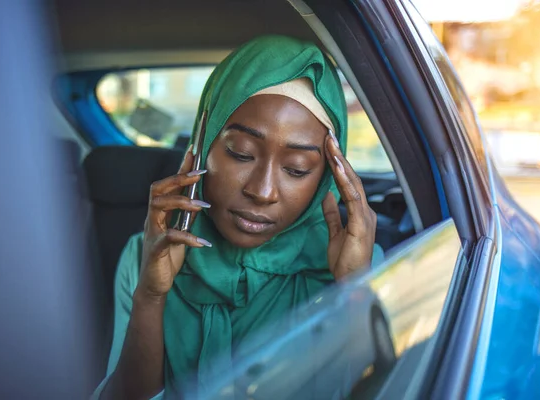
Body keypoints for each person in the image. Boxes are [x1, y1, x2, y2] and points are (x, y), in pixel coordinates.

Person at [93, 35, 378, 400]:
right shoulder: (145, 256)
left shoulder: (354, 266)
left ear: (326, 177)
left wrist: (353, 289)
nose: (262, 191)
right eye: (241, 153)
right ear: (202, 144)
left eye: (296, 168)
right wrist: (151, 296)